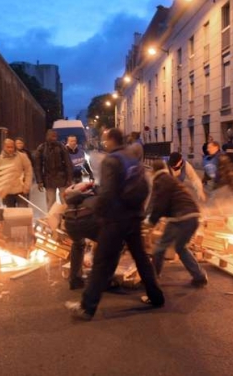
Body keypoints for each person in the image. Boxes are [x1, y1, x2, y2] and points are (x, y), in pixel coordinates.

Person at [65, 128, 164, 321]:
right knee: (141, 258)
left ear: (111, 140)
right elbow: (145, 186)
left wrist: (100, 214)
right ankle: (157, 297)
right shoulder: (132, 157)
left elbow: (107, 193)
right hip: (133, 217)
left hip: (116, 219)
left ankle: (87, 307)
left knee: (102, 262)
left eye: (105, 140)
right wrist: (138, 211)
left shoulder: (111, 160)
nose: (104, 144)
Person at [146, 160, 208, 287]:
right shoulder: (169, 179)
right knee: (181, 247)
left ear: (153, 171)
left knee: (160, 247)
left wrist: (151, 221)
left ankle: (153, 279)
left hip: (180, 218)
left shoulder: (161, 180)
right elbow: (156, 203)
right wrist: (150, 216)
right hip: (193, 216)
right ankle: (199, 276)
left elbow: (159, 203)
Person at [62, 182, 100, 290]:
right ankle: (101, 280)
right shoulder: (96, 193)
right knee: (104, 244)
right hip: (88, 221)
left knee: (78, 245)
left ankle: (75, 280)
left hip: (70, 223)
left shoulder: (71, 197)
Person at [34, 129, 73, 211]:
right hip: (48, 179)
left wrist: (69, 179)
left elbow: (68, 164)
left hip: (62, 178)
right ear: (47, 136)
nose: (54, 138)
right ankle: (52, 221)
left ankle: (65, 219)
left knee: (64, 201)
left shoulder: (61, 147)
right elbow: (38, 166)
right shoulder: (41, 148)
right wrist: (39, 181)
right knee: (51, 202)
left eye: (55, 136)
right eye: (52, 136)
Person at [0, 138, 33, 207]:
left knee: (23, 214)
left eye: (12, 147)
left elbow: (28, 170)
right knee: (10, 215)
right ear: (4, 147)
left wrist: (27, 185)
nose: (10, 149)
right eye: (8, 147)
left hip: (21, 190)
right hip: (7, 192)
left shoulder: (22, 156)